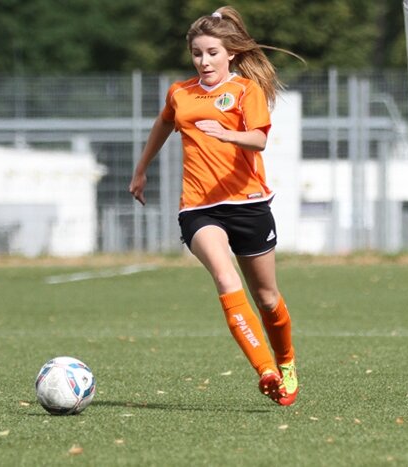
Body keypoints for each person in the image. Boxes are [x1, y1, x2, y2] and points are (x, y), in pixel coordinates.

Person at [129, 5, 298, 406]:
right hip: (199, 208)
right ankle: (266, 371)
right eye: (197, 53)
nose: (203, 61)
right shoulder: (180, 92)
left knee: (267, 298)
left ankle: (286, 361)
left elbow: (259, 140)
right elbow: (164, 123)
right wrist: (141, 169)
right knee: (225, 279)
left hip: (249, 204)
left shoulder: (245, 91)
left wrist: (227, 134)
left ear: (231, 53)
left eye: (212, 53)